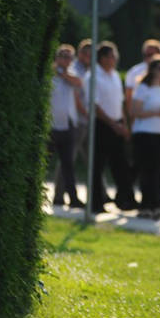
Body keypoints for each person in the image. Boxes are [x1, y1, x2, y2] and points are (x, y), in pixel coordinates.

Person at [125, 39, 160, 212]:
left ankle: (157, 202)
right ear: (153, 70)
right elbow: (135, 110)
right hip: (145, 133)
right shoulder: (143, 88)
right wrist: (155, 113)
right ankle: (146, 204)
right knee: (147, 169)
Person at [85, 42, 136, 213]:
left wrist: (124, 124)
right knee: (97, 165)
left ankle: (125, 199)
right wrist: (113, 124)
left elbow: (119, 102)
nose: (114, 59)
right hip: (102, 125)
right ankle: (96, 203)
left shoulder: (114, 75)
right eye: (111, 56)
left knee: (121, 164)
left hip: (117, 124)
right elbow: (95, 106)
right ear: (103, 58)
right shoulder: (93, 76)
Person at [54, 39, 90, 205]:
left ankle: (72, 197)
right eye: (62, 56)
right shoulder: (50, 75)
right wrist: (57, 71)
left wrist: (63, 73)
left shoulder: (72, 76)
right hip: (52, 125)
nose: (66, 60)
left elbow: (78, 83)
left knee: (68, 163)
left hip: (68, 124)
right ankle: (57, 196)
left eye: (69, 57)